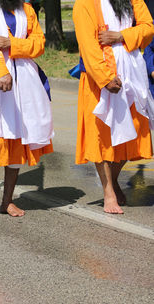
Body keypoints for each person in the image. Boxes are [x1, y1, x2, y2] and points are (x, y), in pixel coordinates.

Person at [0, 0, 54, 217]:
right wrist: (0, 73)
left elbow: (39, 43)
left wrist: (11, 44)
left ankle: (8, 200)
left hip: (25, 81)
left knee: (17, 140)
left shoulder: (26, 9)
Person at [73, 0, 154, 214]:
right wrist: (105, 78)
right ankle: (108, 192)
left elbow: (148, 27)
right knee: (101, 135)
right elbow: (88, 46)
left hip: (132, 71)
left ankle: (113, 180)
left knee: (134, 130)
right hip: (97, 76)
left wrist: (121, 36)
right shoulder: (85, 4)